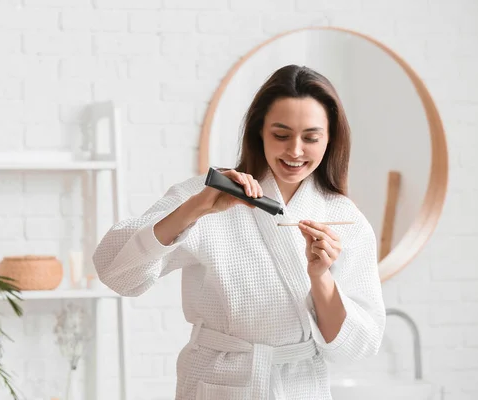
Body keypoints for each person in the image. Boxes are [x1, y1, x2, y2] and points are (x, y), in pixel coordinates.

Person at [92, 64, 385, 400]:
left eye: (311, 137)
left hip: (301, 386)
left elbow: (356, 348)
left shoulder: (343, 217)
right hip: (220, 382)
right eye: (281, 134)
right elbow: (115, 271)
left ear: (330, 138)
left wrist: (320, 277)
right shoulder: (208, 196)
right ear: (259, 132)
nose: (295, 151)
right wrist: (193, 209)